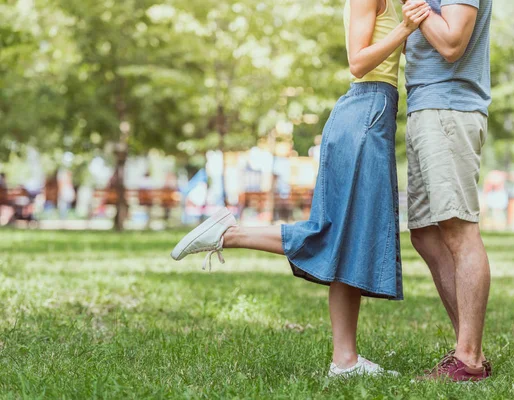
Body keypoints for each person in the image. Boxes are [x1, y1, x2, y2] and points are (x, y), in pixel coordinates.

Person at [171, 0, 431, 377]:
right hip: (365, 112)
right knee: (332, 234)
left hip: (373, 112)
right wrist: (404, 29)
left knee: (349, 240)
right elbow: (357, 61)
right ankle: (229, 234)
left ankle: (345, 361)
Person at [403, 0, 493, 381]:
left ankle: (468, 358)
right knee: (425, 233)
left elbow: (453, 42)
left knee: (459, 229)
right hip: (426, 105)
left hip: (448, 106)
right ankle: (467, 349)